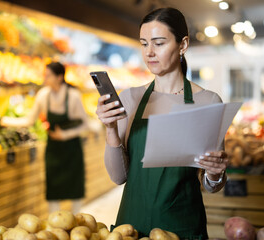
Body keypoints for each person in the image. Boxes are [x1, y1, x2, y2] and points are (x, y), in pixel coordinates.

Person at [96, 8, 228, 239]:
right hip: (131, 226)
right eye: (144, 44)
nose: (149, 53)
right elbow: (118, 177)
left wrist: (214, 173)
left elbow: (212, 185)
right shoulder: (131, 98)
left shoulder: (207, 101)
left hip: (182, 226)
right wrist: (110, 129)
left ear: (183, 45)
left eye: (158, 43)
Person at [1, 62, 88, 214]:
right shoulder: (43, 95)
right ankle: (54, 222)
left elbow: (84, 125)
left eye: (48, 75)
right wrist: (6, 121)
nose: (44, 78)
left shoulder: (73, 96)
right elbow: (29, 121)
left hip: (72, 149)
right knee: (53, 187)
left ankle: (77, 221)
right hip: (53, 149)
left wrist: (64, 135)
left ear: (59, 77)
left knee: (75, 186)